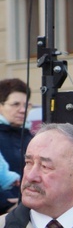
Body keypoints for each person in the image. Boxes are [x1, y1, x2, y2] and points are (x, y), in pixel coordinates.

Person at [0, 78, 32, 210]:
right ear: (1, 105)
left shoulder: (32, 138)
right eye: (15, 104)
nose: (22, 110)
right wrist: (6, 203)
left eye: (26, 105)